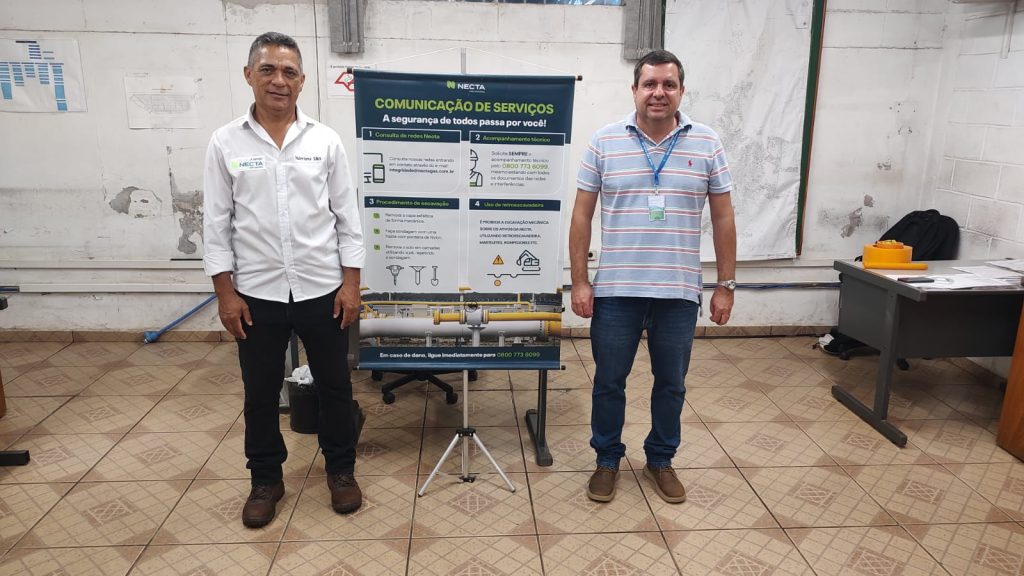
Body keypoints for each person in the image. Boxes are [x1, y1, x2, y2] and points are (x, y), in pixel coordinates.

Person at [203, 32, 366, 528]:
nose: (279, 80)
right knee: (260, 393)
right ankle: (265, 479)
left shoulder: (325, 141)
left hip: (322, 289)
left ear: (302, 81)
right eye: (268, 70)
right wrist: (225, 294)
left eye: (289, 72)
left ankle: (340, 470)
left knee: (335, 386)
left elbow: (348, 217)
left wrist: (351, 284)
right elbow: (216, 224)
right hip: (256, 294)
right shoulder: (225, 142)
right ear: (249, 75)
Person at [569, 49, 736, 504]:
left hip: (678, 293)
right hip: (616, 292)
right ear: (635, 90)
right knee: (609, 382)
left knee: (672, 384)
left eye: (668, 84)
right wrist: (581, 281)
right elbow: (582, 215)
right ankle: (607, 459)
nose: (658, 93)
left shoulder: (707, 143)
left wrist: (725, 285)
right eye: (650, 84)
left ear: (681, 91)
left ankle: (660, 459)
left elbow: (723, 218)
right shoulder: (604, 141)